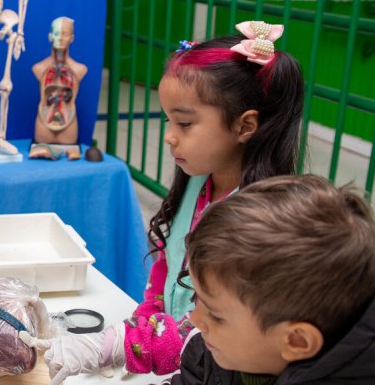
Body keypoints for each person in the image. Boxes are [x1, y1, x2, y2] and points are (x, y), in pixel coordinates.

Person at [20, 21, 304, 383]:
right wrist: (142, 326)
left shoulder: (259, 225)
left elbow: (205, 331)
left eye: (184, 124)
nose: (169, 137)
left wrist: (119, 345)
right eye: (168, 120)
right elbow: (167, 268)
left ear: (245, 126)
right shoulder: (199, 178)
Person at [165, 174, 375, 384]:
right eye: (197, 297)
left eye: (216, 315)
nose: (195, 318)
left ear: (296, 341)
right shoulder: (225, 347)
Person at [29, 16, 87, 161]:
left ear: (72, 38)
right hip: (43, 127)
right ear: (50, 37)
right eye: (56, 33)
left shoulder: (80, 70)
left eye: (65, 34)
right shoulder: (39, 68)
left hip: (69, 127)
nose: (60, 38)